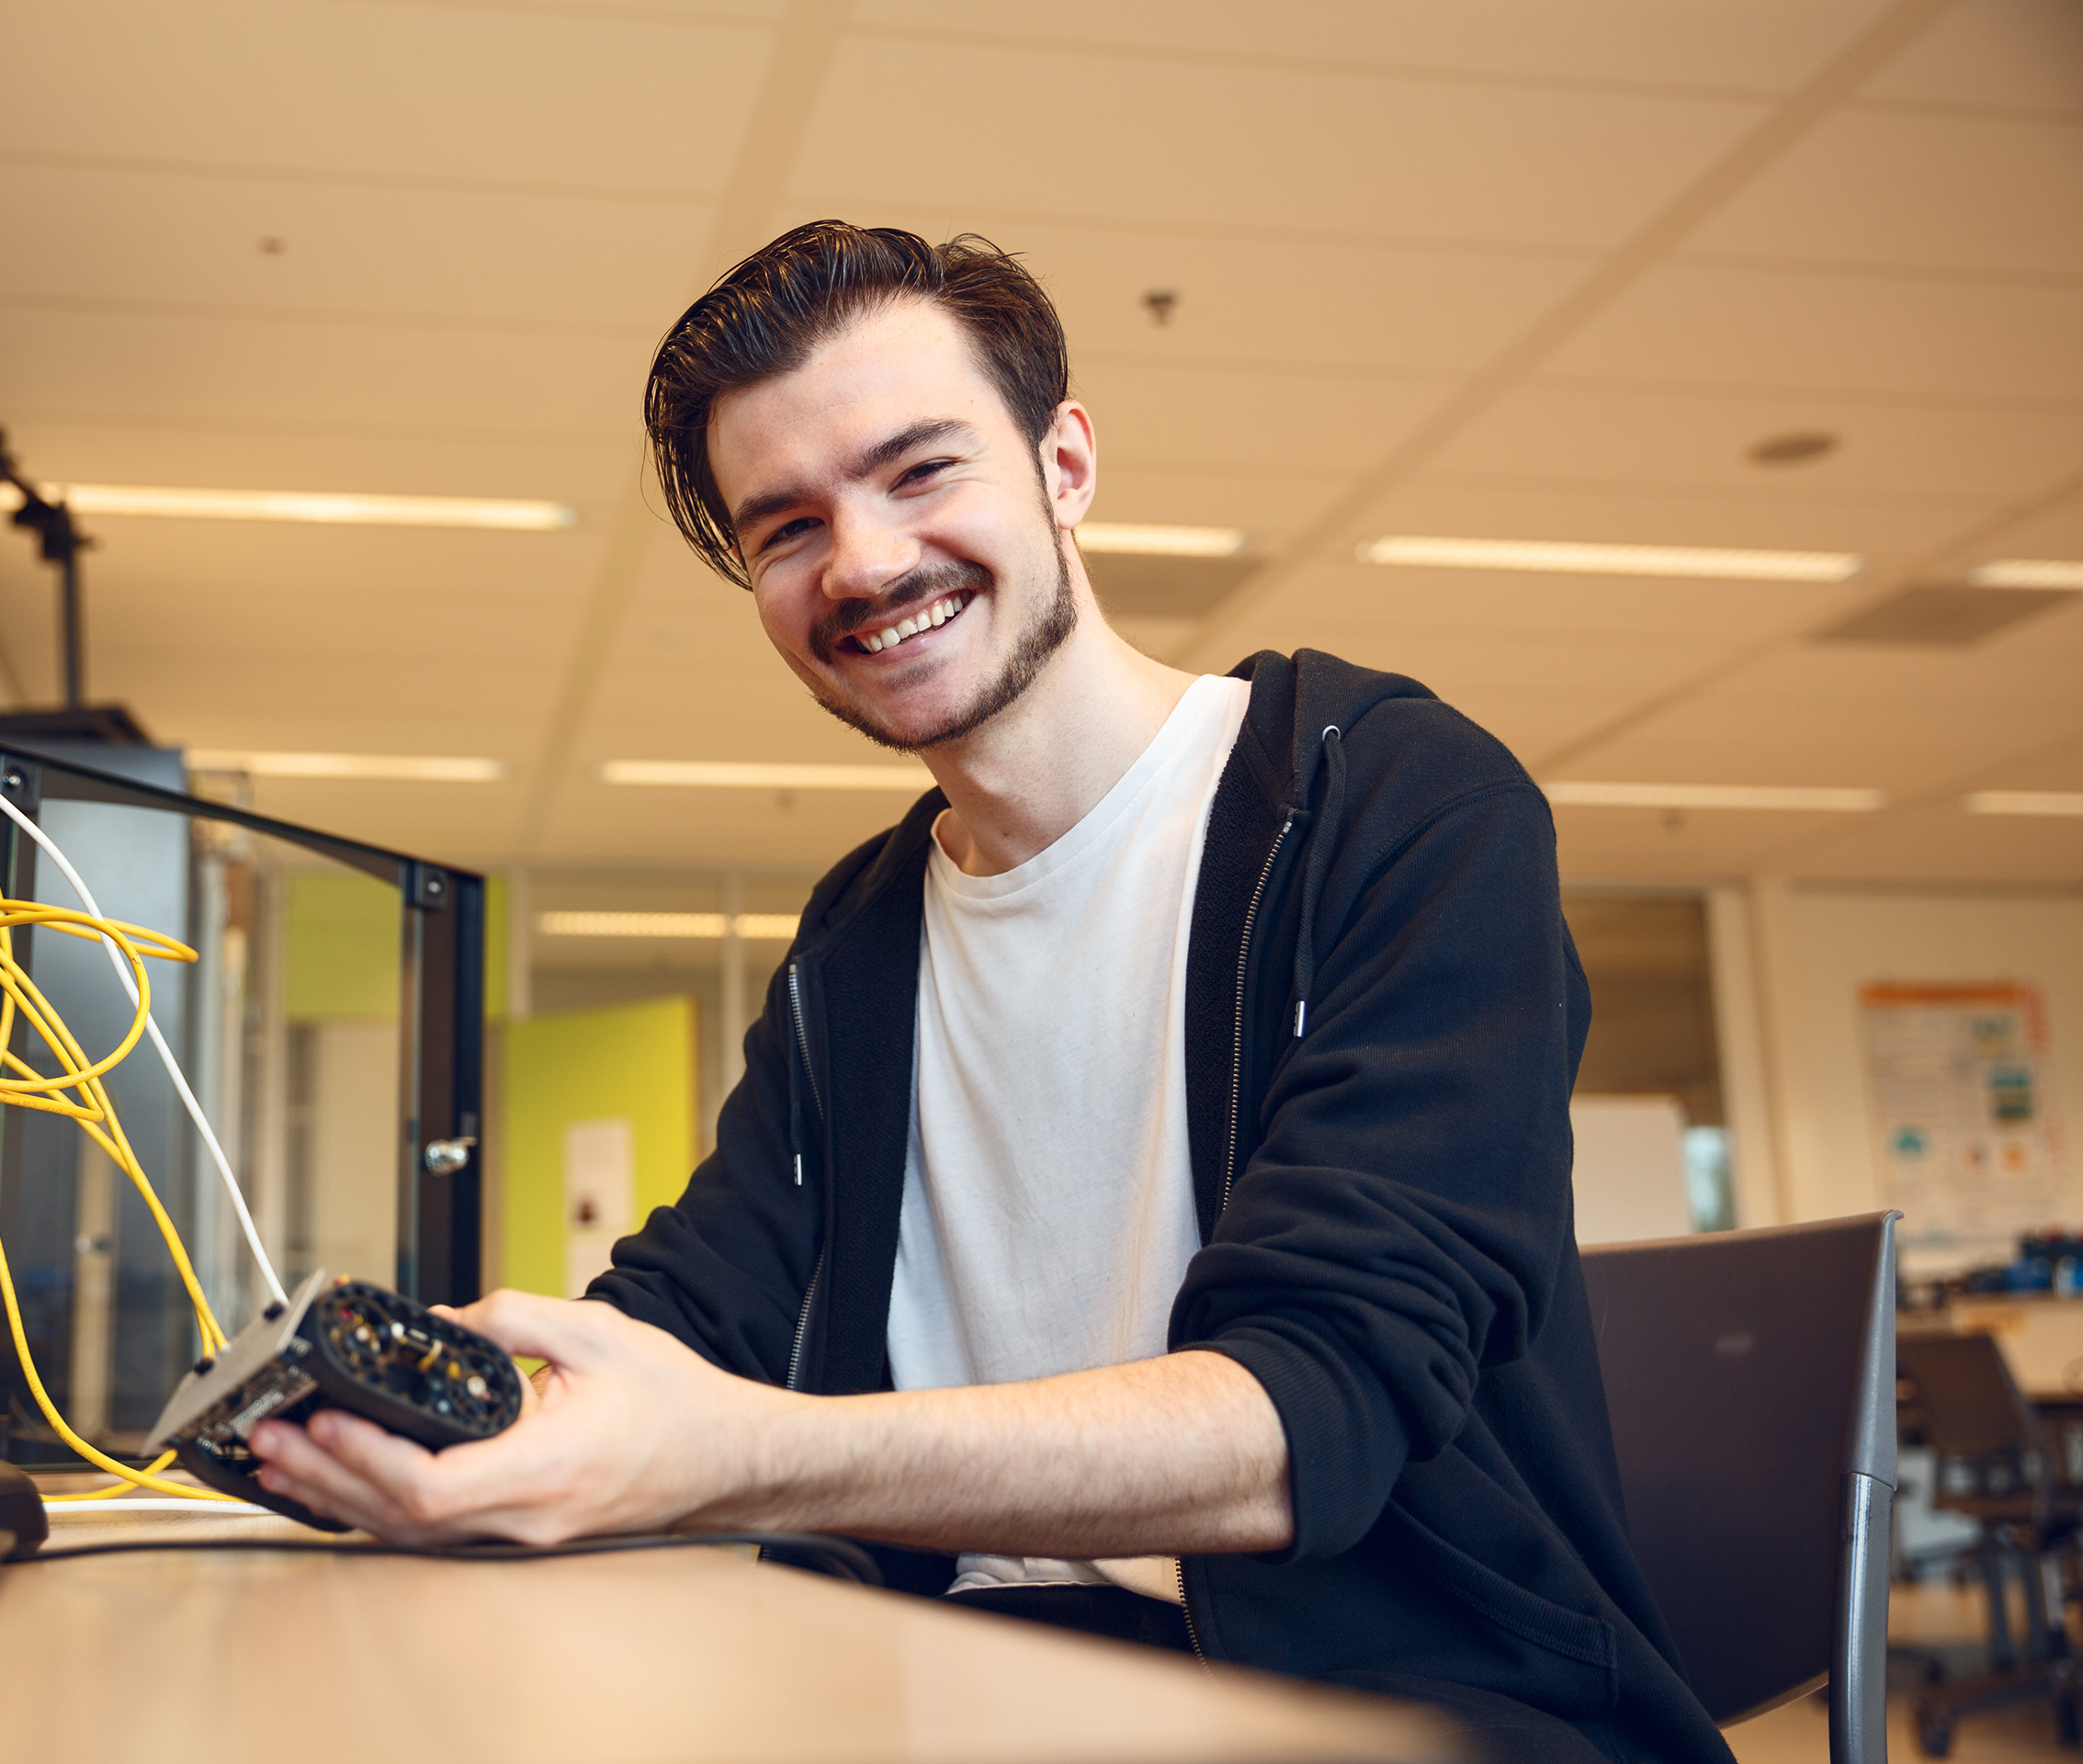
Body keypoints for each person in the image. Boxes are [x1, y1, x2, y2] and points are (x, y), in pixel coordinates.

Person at [249, 222, 1730, 1764]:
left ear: (1065, 464)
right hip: (938, 1684)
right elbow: (700, 1310)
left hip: (1404, 1704)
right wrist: (426, 1409)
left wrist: (737, 1458)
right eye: (786, 528)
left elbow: (1308, 1425)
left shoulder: (1392, 803)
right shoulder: (862, 933)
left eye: (920, 470)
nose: (866, 563)